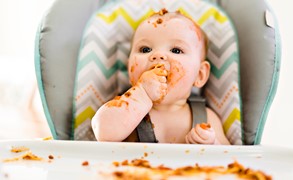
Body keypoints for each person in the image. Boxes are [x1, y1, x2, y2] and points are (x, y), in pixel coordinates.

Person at [91, 9, 230, 145]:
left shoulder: (205, 119)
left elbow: (229, 156)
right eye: (145, 49)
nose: (158, 55)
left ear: (199, 75)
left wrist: (212, 143)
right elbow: (102, 132)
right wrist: (141, 94)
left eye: (176, 50)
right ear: (129, 69)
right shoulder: (124, 109)